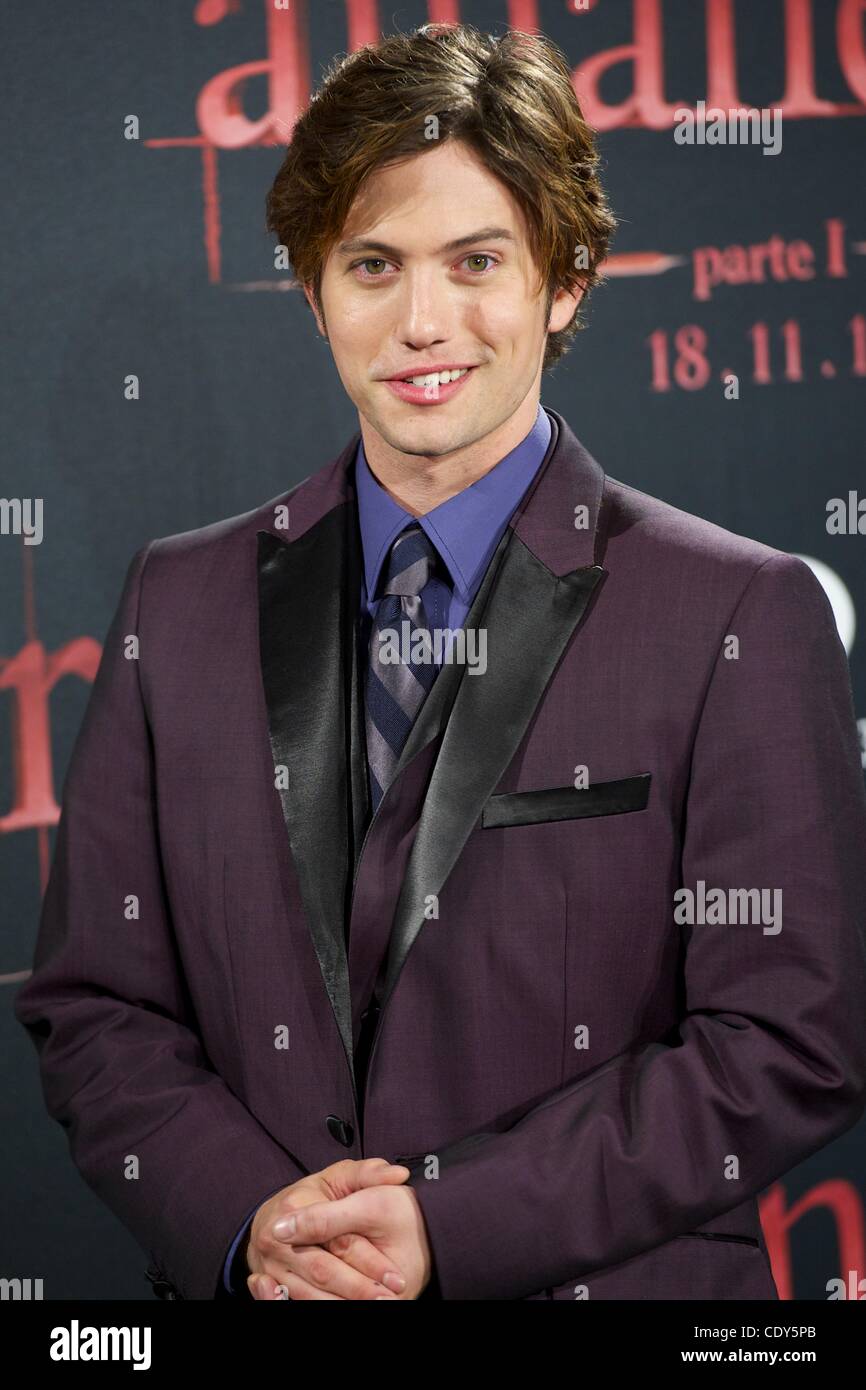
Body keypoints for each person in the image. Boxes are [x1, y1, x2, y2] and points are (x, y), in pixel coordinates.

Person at [16, 23, 866, 1302]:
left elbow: (791, 1039)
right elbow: (94, 1005)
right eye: (372, 265)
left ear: (563, 279)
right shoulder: (175, 601)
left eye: (476, 262)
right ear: (313, 292)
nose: (423, 324)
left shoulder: (737, 610)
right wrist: (254, 1223)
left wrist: (448, 1227)